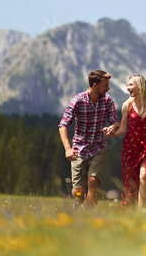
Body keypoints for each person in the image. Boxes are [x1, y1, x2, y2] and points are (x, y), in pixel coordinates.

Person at [58, 70, 119, 207]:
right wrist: (68, 148)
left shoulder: (108, 100)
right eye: (105, 85)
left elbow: (115, 121)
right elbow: (63, 124)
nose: (108, 88)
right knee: (78, 191)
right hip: (79, 149)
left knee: (93, 181)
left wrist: (112, 128)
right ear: (95, 85)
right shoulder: (78, 100)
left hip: (99, 147)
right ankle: (78, 205)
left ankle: (90, 214)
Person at [106, 74, 146, 209]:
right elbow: (123, 128)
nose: (128, 87)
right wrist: (112, 134)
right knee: (130, 183)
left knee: (144, 177)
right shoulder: (127, 105)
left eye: (131, 84)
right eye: (127, 84)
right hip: (130, 146)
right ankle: (129, 210)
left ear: (140, 85)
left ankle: (142, 211)